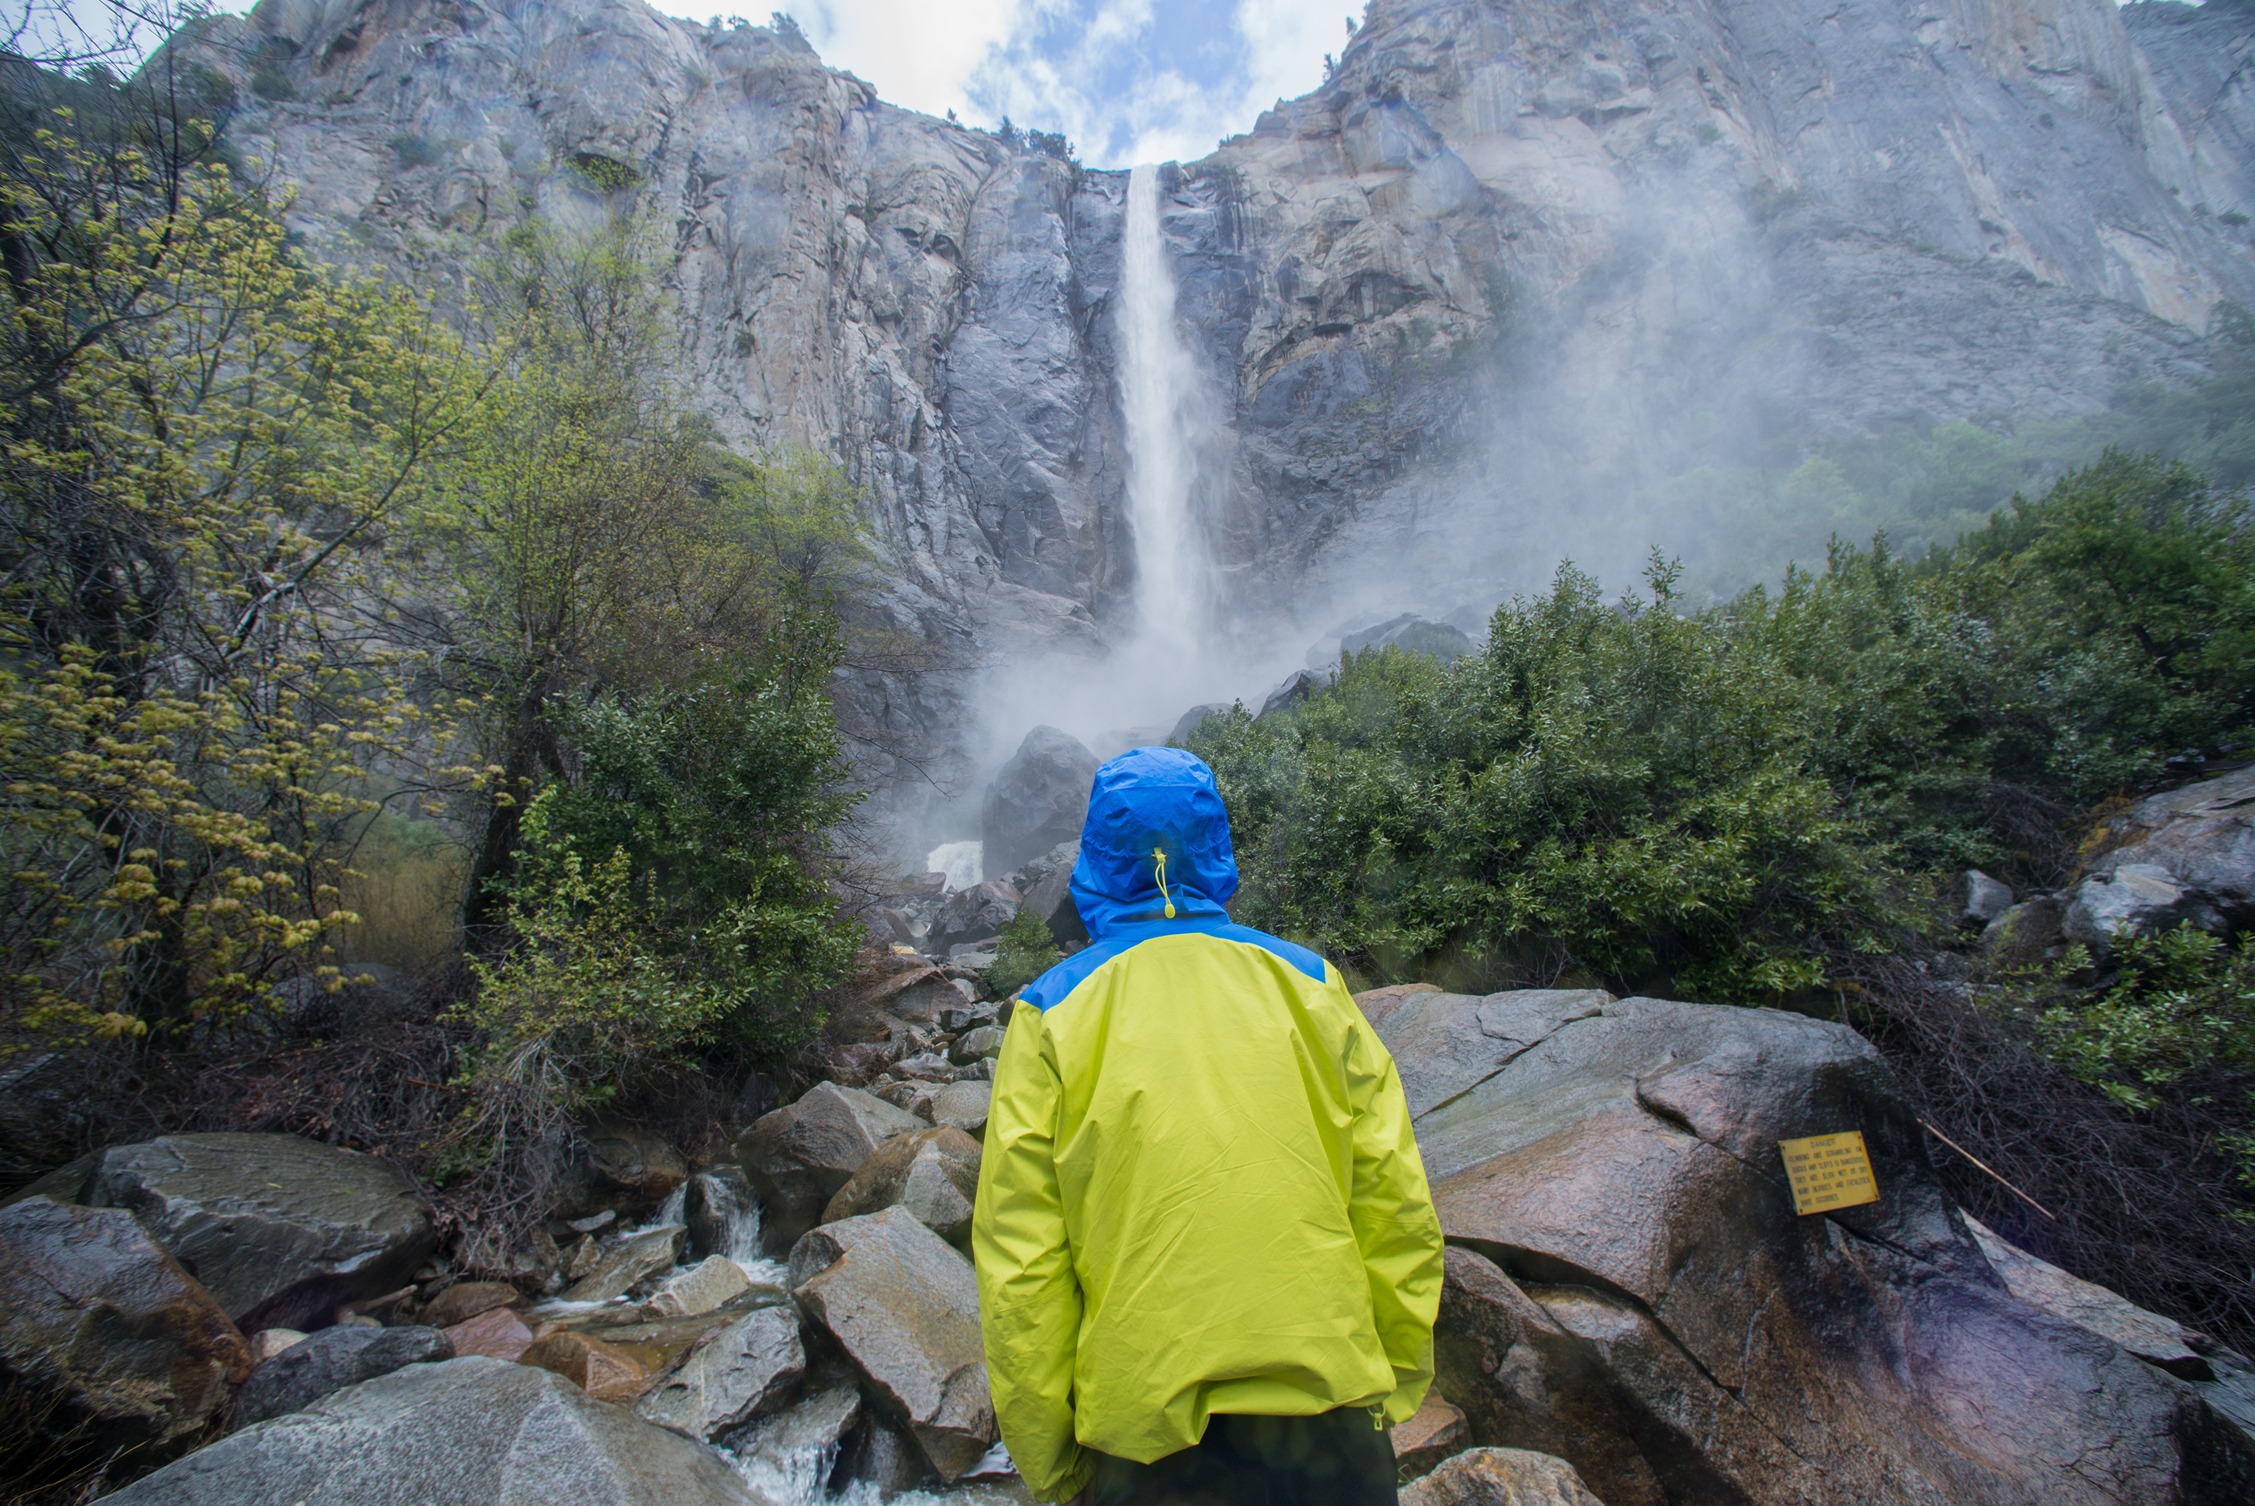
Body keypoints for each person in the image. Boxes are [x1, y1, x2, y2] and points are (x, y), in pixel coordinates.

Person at [973, 746, 1445, 1506]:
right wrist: (1393, 1384)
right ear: (1217, 847)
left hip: (1148, 1451)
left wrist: (1052, 1462)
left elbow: (1023, 1263)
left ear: (1094, 858)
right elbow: (1394, 1206)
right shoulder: (1313, 986)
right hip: (1331, 1431)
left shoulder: (1049, 1013)